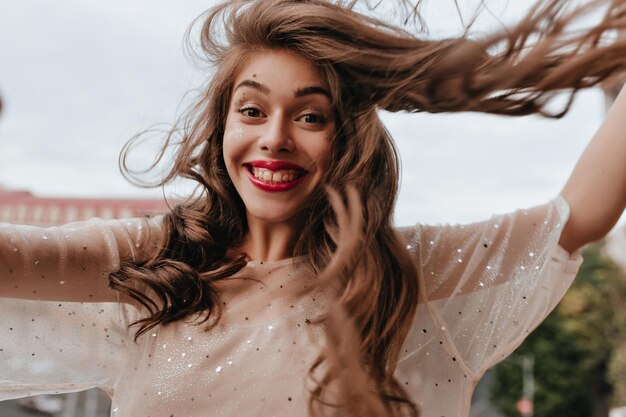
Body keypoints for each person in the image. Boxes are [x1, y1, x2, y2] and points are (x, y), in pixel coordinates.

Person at [1, 1, 626, 416]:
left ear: (347, 139)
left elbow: (582, 214)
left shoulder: (408, 272)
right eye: (252, 110)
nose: (274, 137)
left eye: (309, 116)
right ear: (222, 128)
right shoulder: (156, 262)